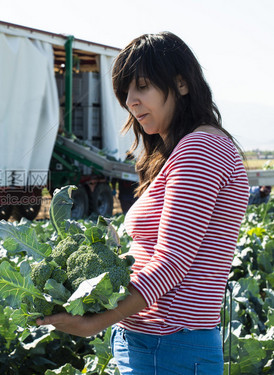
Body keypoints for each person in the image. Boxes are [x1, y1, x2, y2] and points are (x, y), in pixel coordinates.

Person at [37, 32, 249, 374]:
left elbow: (172, 263)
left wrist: (95, 322)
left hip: (170, 347)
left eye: (143, 86)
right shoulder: (182, 151)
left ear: (181, 84)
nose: (131, 101)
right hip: (157, 344)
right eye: (126, 92)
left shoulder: (201, 149)